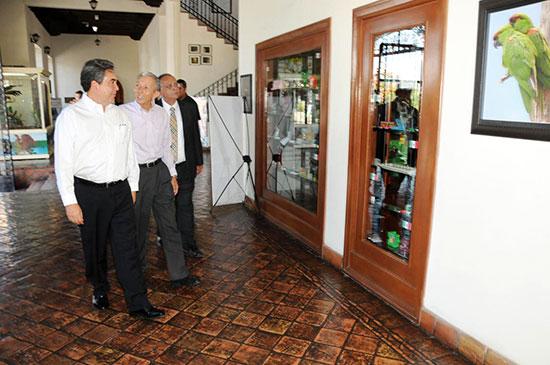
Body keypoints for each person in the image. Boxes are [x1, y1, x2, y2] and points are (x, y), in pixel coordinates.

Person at [54, 59, 164, 319]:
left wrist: (133, 186)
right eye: (112, 82)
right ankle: (99, 287)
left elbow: (129, 155)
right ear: (95, 84)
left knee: (127, 247)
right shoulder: (71, 116)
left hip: (121, 191)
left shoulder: (119, 114)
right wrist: (70, 201)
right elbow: (63, 162)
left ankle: (138, 302)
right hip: (88, 193)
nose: (117, 87)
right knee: (94, 247)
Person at [120, 72, 200, 288]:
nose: (138, 90)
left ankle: (179, 274)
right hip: (137, 175)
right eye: (137, 86)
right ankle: (137, 274)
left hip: (161, 172)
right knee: (138, 226)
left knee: (169, 224)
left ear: (156, 93)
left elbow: (167, 146)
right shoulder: (122, 113)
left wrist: (172, 174)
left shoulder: (161, 114)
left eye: (145, 87)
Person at [157, 75, 204, 258]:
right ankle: (165, 238)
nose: (175, 88)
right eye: (169, 86)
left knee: (185, 206)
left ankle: (188, 243)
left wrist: (199, 160)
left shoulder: (188, 107)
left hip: (185, 165)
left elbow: (194, 136)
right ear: (160, 91)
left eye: (176, 85)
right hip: (161, 168)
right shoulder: (154, 110)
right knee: (165, 206)